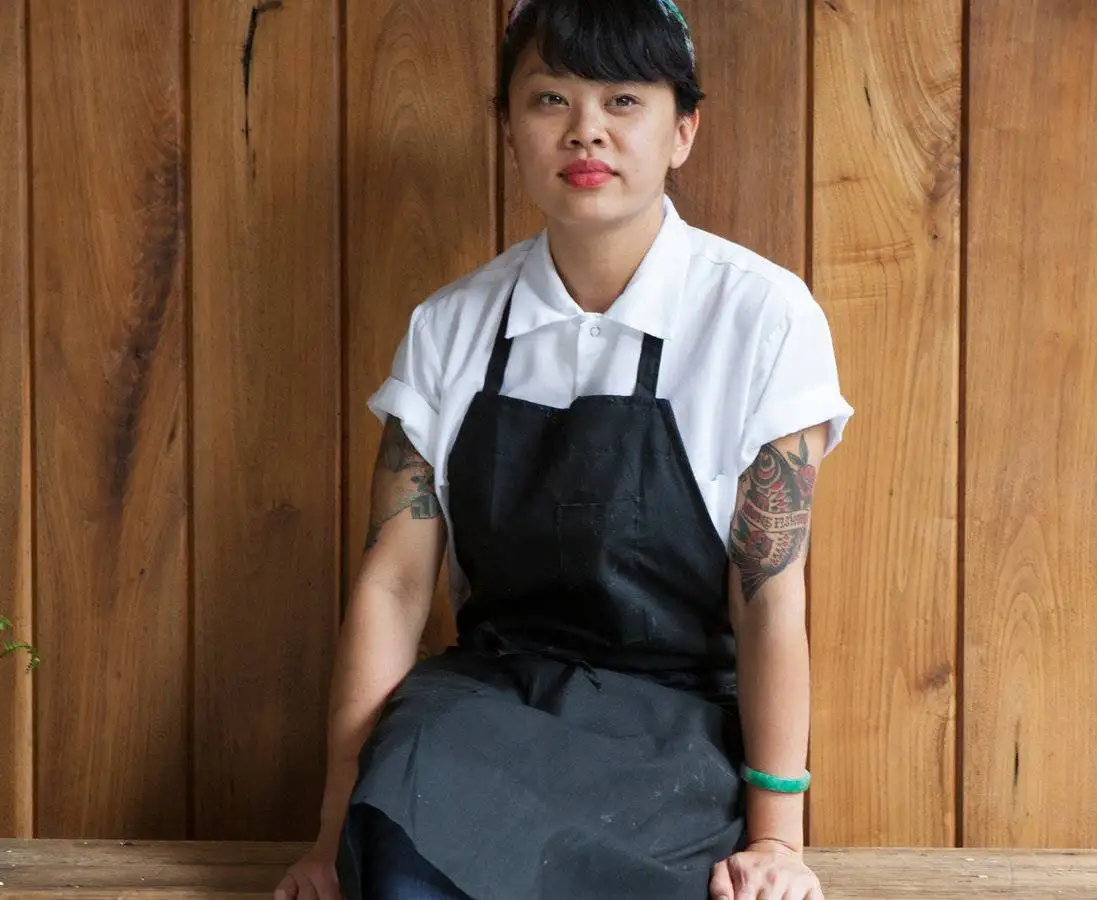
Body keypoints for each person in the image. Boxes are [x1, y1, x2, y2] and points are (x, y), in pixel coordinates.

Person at [274, 1, 853, 897]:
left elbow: (771, 594)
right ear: (509, 128)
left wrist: (779, 841)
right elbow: (393, 585)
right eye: (550, 99)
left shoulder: (763, 318)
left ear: (683, 130)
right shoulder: (450, 327)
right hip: (488, 703)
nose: (586, 131)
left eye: (624, 101)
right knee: (401, 839)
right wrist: (329, 833)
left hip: (676, 724)